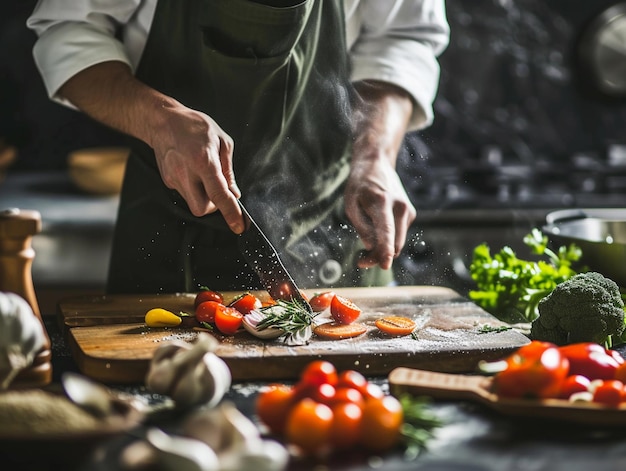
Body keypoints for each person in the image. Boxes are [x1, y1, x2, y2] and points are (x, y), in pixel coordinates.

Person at [27, 0, 449, 295]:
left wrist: (375, 158)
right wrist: (160, 121)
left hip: (335, 226)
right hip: (174, 239)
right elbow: (69, 32)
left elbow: (403, 37)